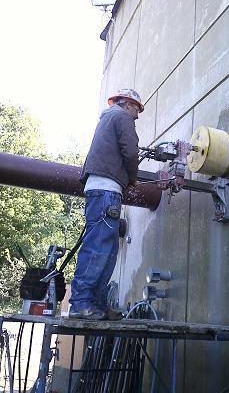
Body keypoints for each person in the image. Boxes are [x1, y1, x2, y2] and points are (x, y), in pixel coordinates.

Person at [69, 88, 144, 320]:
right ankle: (81, 304)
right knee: (98, 248)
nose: (137, 116)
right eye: (137, 109)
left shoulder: (107, 119)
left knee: (108, 251)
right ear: (128, 104)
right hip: (106, 191)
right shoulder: (121, 117)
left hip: (102, 190)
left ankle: (97, 306)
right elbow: (130, 152)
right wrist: (132, 177)